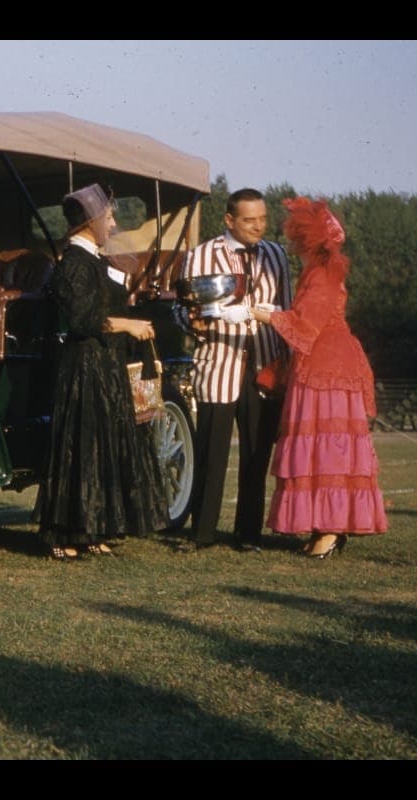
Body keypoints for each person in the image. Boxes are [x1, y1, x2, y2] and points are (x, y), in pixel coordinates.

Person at [241, 196, 389, 557]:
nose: (293, 245)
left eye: (297, 239)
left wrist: (256, 313)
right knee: (320, 447)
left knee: (328, 448)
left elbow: (304, 325)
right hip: (318, 366)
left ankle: (332, 529)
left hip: (330, 369)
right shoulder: (315, 272)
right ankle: (325, 526)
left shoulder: (322, 274)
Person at [38, 183, 169, 560]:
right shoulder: (74, 265)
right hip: (85, 368)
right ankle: (67, 534)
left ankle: (94, 529)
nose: (113, 224)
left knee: (101, 450)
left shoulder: (95, 262)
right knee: (83, 449)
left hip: (105, 367)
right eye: (108, 217)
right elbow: (83, 320)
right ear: (91, 221)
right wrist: (129, 326)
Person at [174, 188, 292, 553]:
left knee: (257, 455)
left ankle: (248, 534)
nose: (258, 226)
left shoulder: (277, 255)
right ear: (229, 220)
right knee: (211, 453)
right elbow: (181, 309)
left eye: (263, 219)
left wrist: (287, 361)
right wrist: (196, 324)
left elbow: (287, 311)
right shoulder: (202, 255)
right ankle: (203, 533)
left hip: (265, 367)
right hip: (219, 366)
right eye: (249, 220)